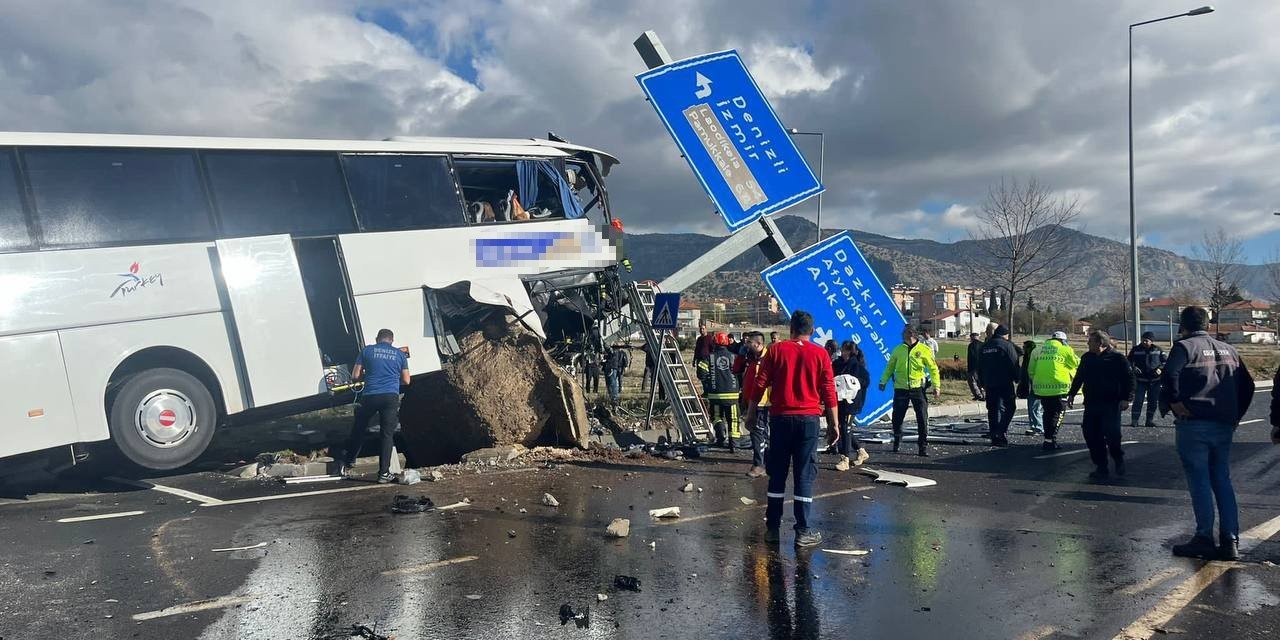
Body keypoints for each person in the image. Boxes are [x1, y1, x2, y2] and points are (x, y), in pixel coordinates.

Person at [1160, 306, 1255, 560]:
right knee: (1222, 480)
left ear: (1183, 324)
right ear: (1208, 323)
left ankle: (1204, 537)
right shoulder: (1230, 349)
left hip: (1195, 423)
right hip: (1224, 425)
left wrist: (1175, 402)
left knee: (1199, 479)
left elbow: (1170, 375)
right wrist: (1237, 415)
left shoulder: (1185, 347)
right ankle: (1230, 540)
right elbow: (1248, 384)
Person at [746, 311, 839, 548]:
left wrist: (751, 412)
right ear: (813, 330)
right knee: (804, 475)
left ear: (791, 328)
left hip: (780, 419)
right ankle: (803, 531)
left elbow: (760, 382)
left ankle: (773, 529)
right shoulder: (820, 353)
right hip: (808, 420)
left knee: (777, 474)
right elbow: (829, 391)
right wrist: (834, 424)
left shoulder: (776, 350)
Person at [341, 329, 410, 484]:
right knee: (386, 434)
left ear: (377, 339)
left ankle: (349, 460)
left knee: (360, 426)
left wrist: (368, 374)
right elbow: (406, 380)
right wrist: (392, 381)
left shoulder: (366, 351)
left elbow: (355, 376)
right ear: (392, 340)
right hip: (390, 397)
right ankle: (384, 473)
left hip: (371, 395)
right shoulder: (399, 355)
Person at [1067, 330, 1134, 480]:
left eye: (1090, 341)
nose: (1087, 344)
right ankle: (1101, 466)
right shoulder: (1087, 358)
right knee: (1091, 435)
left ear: (1100, 343)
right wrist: (1071, 394)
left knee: (1112, 435)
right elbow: (1079, 377)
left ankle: (1117, 457)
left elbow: (1129, 379)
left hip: (1111, 404)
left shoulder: (1117, 358)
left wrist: (1126, 398)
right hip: (1091, 403)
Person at [879, 327, 942, 456]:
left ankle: (922, 446)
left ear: (911, 334)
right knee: (897, 417)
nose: (902, 335)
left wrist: (937, 386)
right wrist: (883, 381)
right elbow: (890, 367)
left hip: (917, 388)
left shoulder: (924, 350)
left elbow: (933, 369)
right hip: (901, 388)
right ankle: (897, 438)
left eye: (904, 333)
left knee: (922, 417)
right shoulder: (898, 350)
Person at [1029, 331, 1079, 451]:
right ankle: (1051, 440)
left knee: (1047, 413)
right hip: (1059, 388)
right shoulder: (1065, 350)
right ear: (1063, 341)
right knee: (1058, 414)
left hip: (1041, 388)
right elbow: (1077, 363)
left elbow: (1031, 370)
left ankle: (1047, 439)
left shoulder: (1037, 350)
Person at [832, 340, 871, 470]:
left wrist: (852, 383)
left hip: (851, 403)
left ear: (848, 351)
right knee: (843, 427)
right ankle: (860, 451)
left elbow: (865, 382)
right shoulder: (837, 364)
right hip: (839, 401)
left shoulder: (857, 367)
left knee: (845, 427)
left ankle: (845, 458)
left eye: (843, 350)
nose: (841, 352)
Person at [699, 332, 742, 450]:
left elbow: (701, 372)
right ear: (727, 342)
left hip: (715, 394)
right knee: (733, 419)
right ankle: (734, 444)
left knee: (717, 416)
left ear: (714, 342)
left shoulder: (709, 357)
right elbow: (742, 372)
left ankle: (720, 436)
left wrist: (708, 383)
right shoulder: (735, 357)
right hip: (732, 395)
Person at [736, 331, 771, 478]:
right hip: (751, 401)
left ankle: (759, 465)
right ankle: (764, 464)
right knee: (759, 434)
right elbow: (736, 369)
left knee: (759, 434)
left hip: (764, 403)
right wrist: (740, 355)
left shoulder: (768, 358)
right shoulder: (751, 358)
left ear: (757, 344)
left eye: (749, 343)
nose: (746, 345)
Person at [979, 325, 1020, 446]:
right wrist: (1017, 378)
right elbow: (1014, 362)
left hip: (989, 383)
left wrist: (982, 382)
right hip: (1004, 382)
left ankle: (994, 435)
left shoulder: (985, 346)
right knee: (1009, 407)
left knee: (992, 409)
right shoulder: (1007, 345)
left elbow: (979, 366)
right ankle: (1001, 432)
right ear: (1005, 335)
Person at [1128, 331, 1166, 428]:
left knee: (1152, 401)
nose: (1144, 342)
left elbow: (1165, 362)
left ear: (1151, 341)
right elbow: (1128, 361)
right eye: (1143, 340)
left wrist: (1160, 369)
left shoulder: (1158, 350)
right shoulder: (1135, 350)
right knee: (1138, 400)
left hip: (1155, 381)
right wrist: (1133, 368)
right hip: (1141, 381)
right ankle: (1134, 420)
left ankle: (1149, 420)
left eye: (1147, 340)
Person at [1018, 339, 1044, 435]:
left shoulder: (1032, 357)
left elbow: (1030, 371)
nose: (1023, 349)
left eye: (1024, 347)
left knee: (1034, 407)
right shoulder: (1028, 357)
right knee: (1032, 406)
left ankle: (1038, 427)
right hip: (1030, 385)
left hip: (1034, 384)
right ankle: (1034, 426)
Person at [966, 332, 986, 401]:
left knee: (973, 382)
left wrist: (969, 368)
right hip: (982, 366)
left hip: (973, 366)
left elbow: (971, 357)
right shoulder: (983, 344)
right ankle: (984, 394)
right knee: (981, 381)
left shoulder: (971, 346)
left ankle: (978, 395)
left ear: (972, 337)